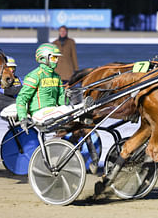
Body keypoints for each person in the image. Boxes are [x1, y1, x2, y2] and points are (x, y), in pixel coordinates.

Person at [15, 43, 98, 173]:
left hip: (54, 113)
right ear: (44, 58)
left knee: (68, 108)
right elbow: (21, 99)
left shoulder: (57, 78)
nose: (57, 61)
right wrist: (23, 118)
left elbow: (60, 102)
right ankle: (83, 110)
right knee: (71, 109)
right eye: (54, 58)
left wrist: (66, 96)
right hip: (39, 114)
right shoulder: (34, 76)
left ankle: (82, 113)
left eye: (56, 58)